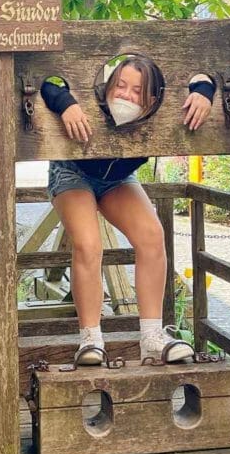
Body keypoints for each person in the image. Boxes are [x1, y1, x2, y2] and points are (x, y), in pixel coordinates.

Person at [40, 56, 216, 365]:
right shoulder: (91, 99)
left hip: (117, 179)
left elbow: (204, 72)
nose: (125, 94)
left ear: (152, 99)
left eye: (136, 90)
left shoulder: (158, 111)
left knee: (151, 236)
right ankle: (91, 340)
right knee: (88, 244)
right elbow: (45, 82)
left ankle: (151, 338)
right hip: (71, 171)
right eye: (120, 85)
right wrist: (65, 102)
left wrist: (205, 88)